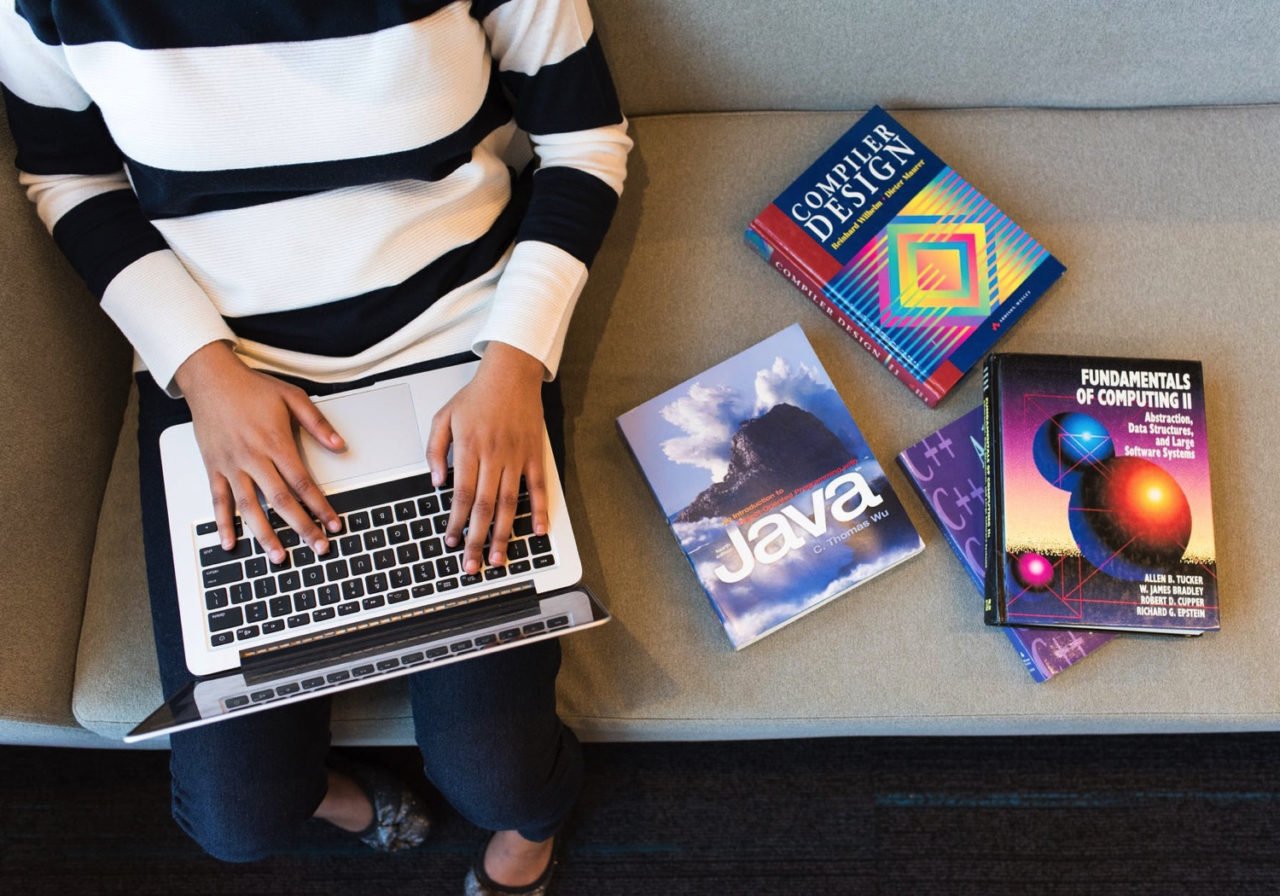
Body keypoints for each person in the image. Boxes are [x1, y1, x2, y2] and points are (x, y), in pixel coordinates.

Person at [1, 1, 631, 892]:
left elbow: (584, 142)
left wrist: (516, 363)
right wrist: (204, 373)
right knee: (237, 818)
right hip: (224, 372)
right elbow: (68, 176)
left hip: (462, 351)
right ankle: (344, 798)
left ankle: (534, 825)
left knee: (500, 773)